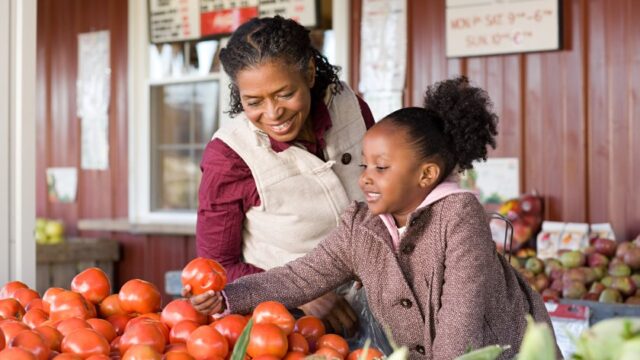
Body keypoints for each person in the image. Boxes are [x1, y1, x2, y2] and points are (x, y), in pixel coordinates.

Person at [202, 76, 557, 359]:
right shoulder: (362, 225)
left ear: (426, 175)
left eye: (382, 167)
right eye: (365, 165)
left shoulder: (460, 217)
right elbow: (300, 276)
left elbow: (460, 323)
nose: (366, 177)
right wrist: (228, 297)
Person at [190, 15, 376, 335]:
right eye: (254, 101)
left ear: (308, 72)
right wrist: (302, 292)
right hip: (284, 326)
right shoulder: (229, 156)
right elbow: (217, 268)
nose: (274, 113)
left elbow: (386, 188)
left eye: (284, 93)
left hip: (377, 301)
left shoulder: (351, 107)